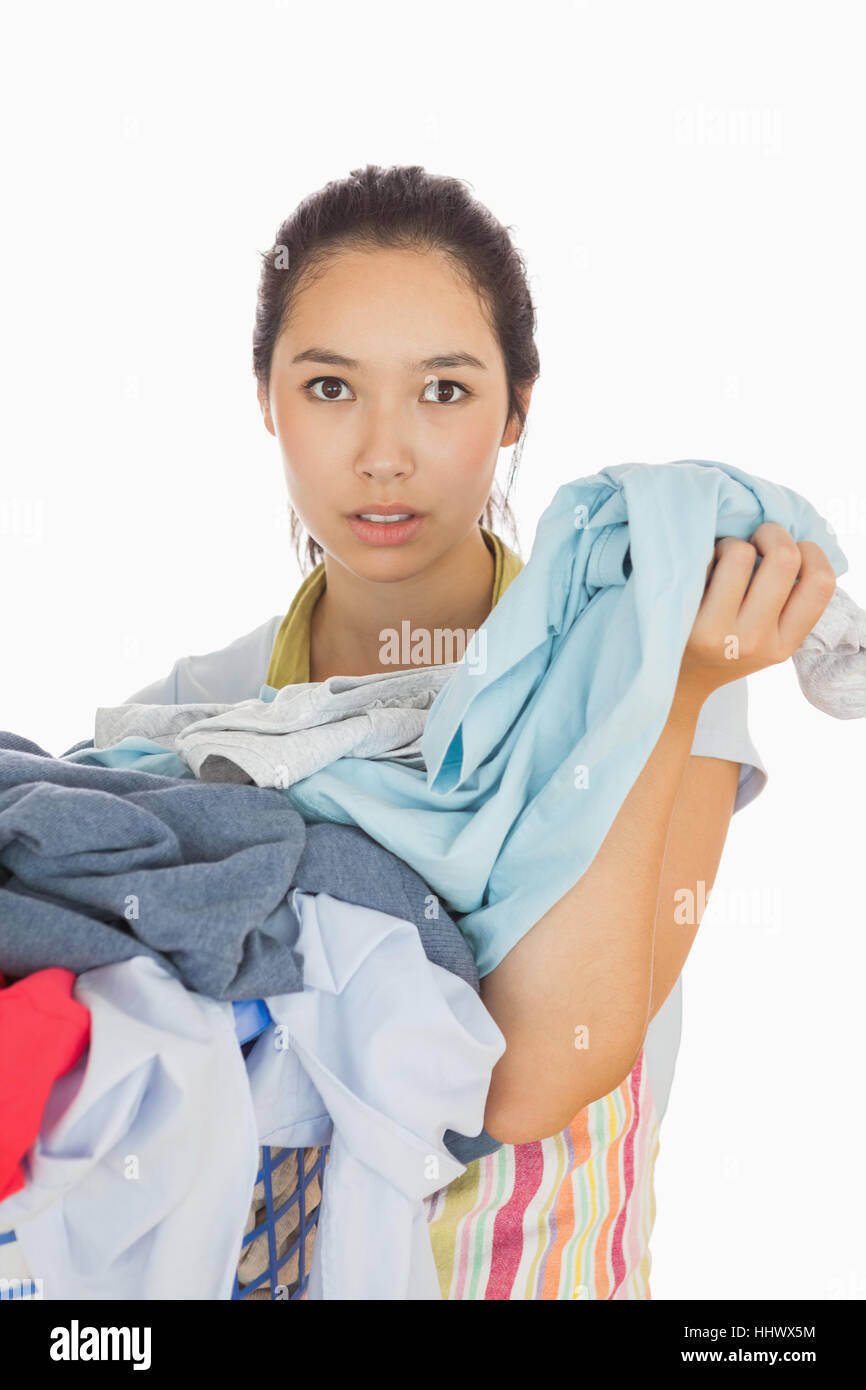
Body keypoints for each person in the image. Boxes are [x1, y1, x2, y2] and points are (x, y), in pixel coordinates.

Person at [127, 163, 836, 1299]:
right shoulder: (202, 715)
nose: (383, 452)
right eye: (328, 388)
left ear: (516, 407)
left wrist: (679, 688)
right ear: (264, 397)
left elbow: (537, 1077)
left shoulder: (650, 665)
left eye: (444, 391)